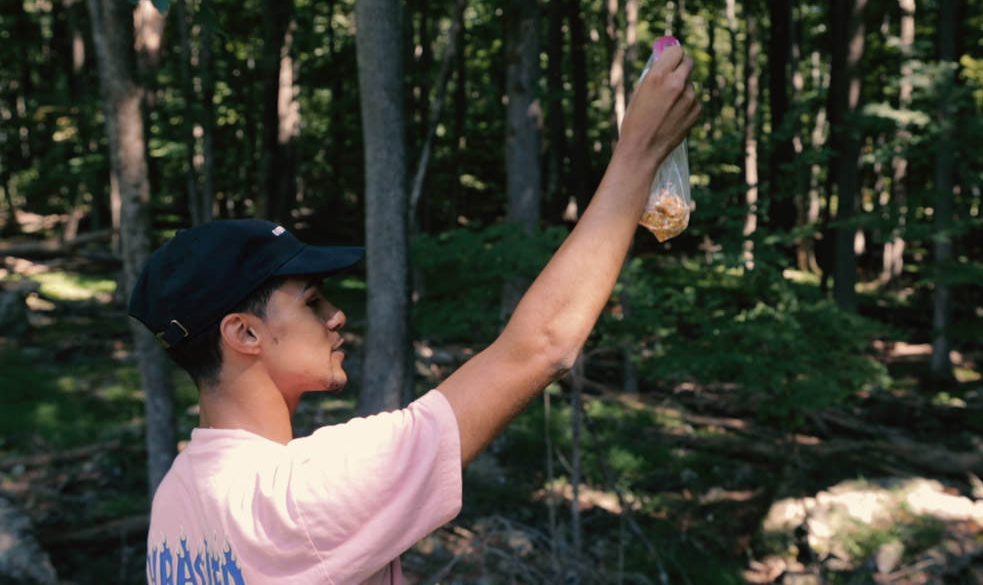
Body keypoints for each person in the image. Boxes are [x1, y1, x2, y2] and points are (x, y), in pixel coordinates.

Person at [129, 43, 700, 585]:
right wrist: (639, 151)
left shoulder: (177, 503)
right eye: (312, 303)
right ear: (244, 333)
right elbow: (541, 347)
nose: (337, 317)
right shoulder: (304, 495)